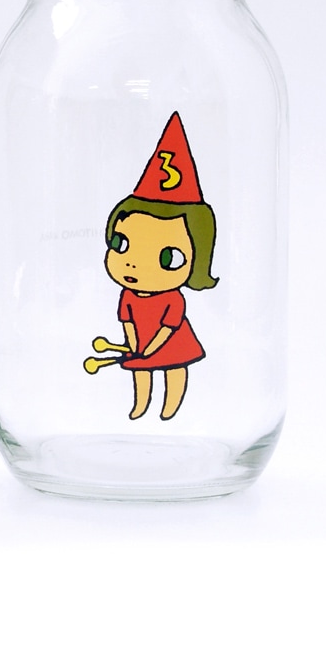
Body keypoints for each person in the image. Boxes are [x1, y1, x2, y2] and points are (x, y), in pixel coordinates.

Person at [101, 112, 218, 421]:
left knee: (174, 367)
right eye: (121, 244)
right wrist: (134, 344)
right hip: (141, 340)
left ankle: (170, 406)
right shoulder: (128, 295)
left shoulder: (173, 299)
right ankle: (140, 405)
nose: (134, 263)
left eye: (168, 257)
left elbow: (169, 326)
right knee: (140, 368)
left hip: (171, 341)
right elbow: (127, 320)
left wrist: (151, 347)